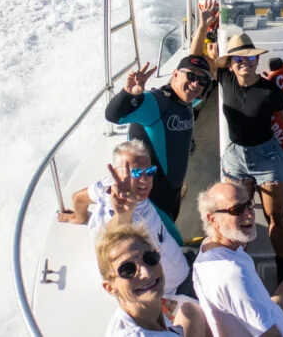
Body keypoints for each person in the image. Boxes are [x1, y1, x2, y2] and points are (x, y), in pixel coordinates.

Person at [193, 0, 283, 284]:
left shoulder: (270, 90)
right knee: (236, 216)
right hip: (236, 158)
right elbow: (194, 60)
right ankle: (239, 266)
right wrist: (202, 25)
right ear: (232, 63)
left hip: (267, 157)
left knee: (277, 217)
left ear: (257, 61)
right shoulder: (224, 78)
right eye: (239, 59)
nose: (245, 63)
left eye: (250, 58)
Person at [58, 139, 193, 296]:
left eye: (149, 171)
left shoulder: (105, 186)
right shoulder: (127, 215)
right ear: (117, 172)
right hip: (173, 290)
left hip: (183, 264)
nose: (145, 180)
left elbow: (78, 198)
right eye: (135, 173)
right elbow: (115, 235)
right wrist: (124, 213)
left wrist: (79, 218)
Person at [102, 53, 213, 219]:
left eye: (202, 81)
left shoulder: (186, 102)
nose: (196, 83)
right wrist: (129, 93)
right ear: (175, 74)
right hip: (149, 192)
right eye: (191, 76)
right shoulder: (155, 102)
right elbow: (113, 115)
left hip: (173, 190)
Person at [192, 180, 283, 337]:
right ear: (212, 219)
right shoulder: (233, 273)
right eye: (237, 210)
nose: (249, 214)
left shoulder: (209, 247)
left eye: (249, 205)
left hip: (270, 318)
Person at [97, 218, 209, 337]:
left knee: (191, 310)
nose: (146, 273)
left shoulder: (139, 316)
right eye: (128, 270)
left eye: (150, 258)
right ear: (110, 288)